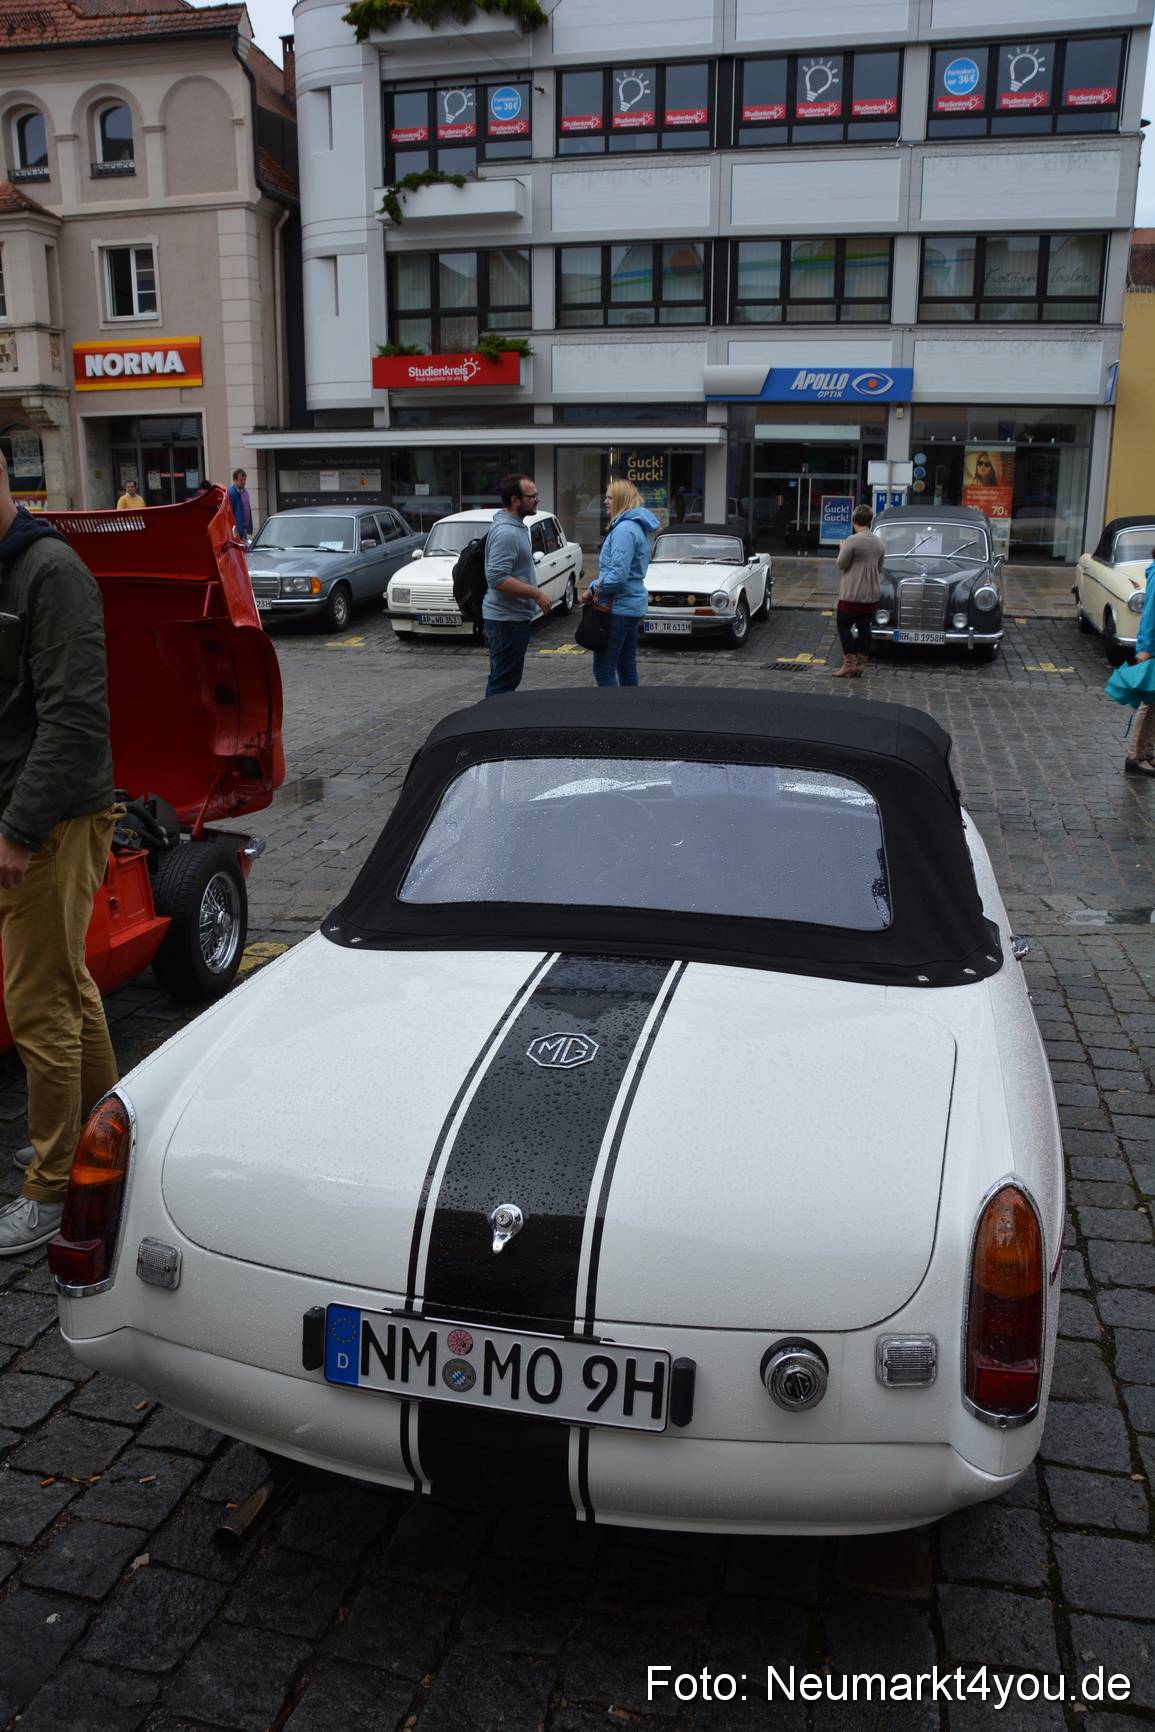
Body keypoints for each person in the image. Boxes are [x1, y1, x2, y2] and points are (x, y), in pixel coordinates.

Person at [0, 447, 121, 1253]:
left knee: (36, 1001)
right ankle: (97, 1139)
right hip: (30, 808)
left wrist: (17, 828)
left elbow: (75, 717)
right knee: (66, 984)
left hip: (52, 816)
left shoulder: (50, 570)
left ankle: (49, 1187)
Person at [581, 480, 659, 688]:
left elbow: (617, 576)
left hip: (618, 607)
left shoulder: (625, 530)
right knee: (626, 667)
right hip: (630, 605)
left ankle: (614, 714)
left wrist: (591, 589)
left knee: (604, 670)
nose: (605, 502)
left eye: (609, 497)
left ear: (621, 500)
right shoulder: (633, 527)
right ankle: (631, 712)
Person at [482, 475, 552, 697]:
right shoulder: (508, 533)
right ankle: (491, 728)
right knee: (503, 685)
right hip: (506, 622)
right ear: (515, 499)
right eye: (532, 496)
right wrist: (536, 593)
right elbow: (496, 578)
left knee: (503, 679)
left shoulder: (514, 526)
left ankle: (491, 726)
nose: (537, 500)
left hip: (509, 621)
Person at [832, 503, 884, 678]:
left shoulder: (853, 540)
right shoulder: (878, 542)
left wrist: (842, 549)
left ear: (854, 520)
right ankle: (861, 665)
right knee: (864, 628)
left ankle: (849, 664)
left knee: (844, 626)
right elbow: (879, 568)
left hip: (852, 592)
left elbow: (841, 564)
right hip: (871, 593)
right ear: (870, 521)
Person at [1124, 548, 1155, 777]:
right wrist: (1145, 647)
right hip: (1152, 648)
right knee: (1149, 702)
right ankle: (1135, 757)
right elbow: (1150, 612)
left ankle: (1147, 752)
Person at [227, 468, 252, 541]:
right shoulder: (231, 493)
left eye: (244, 480)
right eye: (241, 480)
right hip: (237, 528)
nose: (243, 482)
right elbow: (229, 512)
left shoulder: (245, 491)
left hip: (244, 527)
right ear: (234, 480)